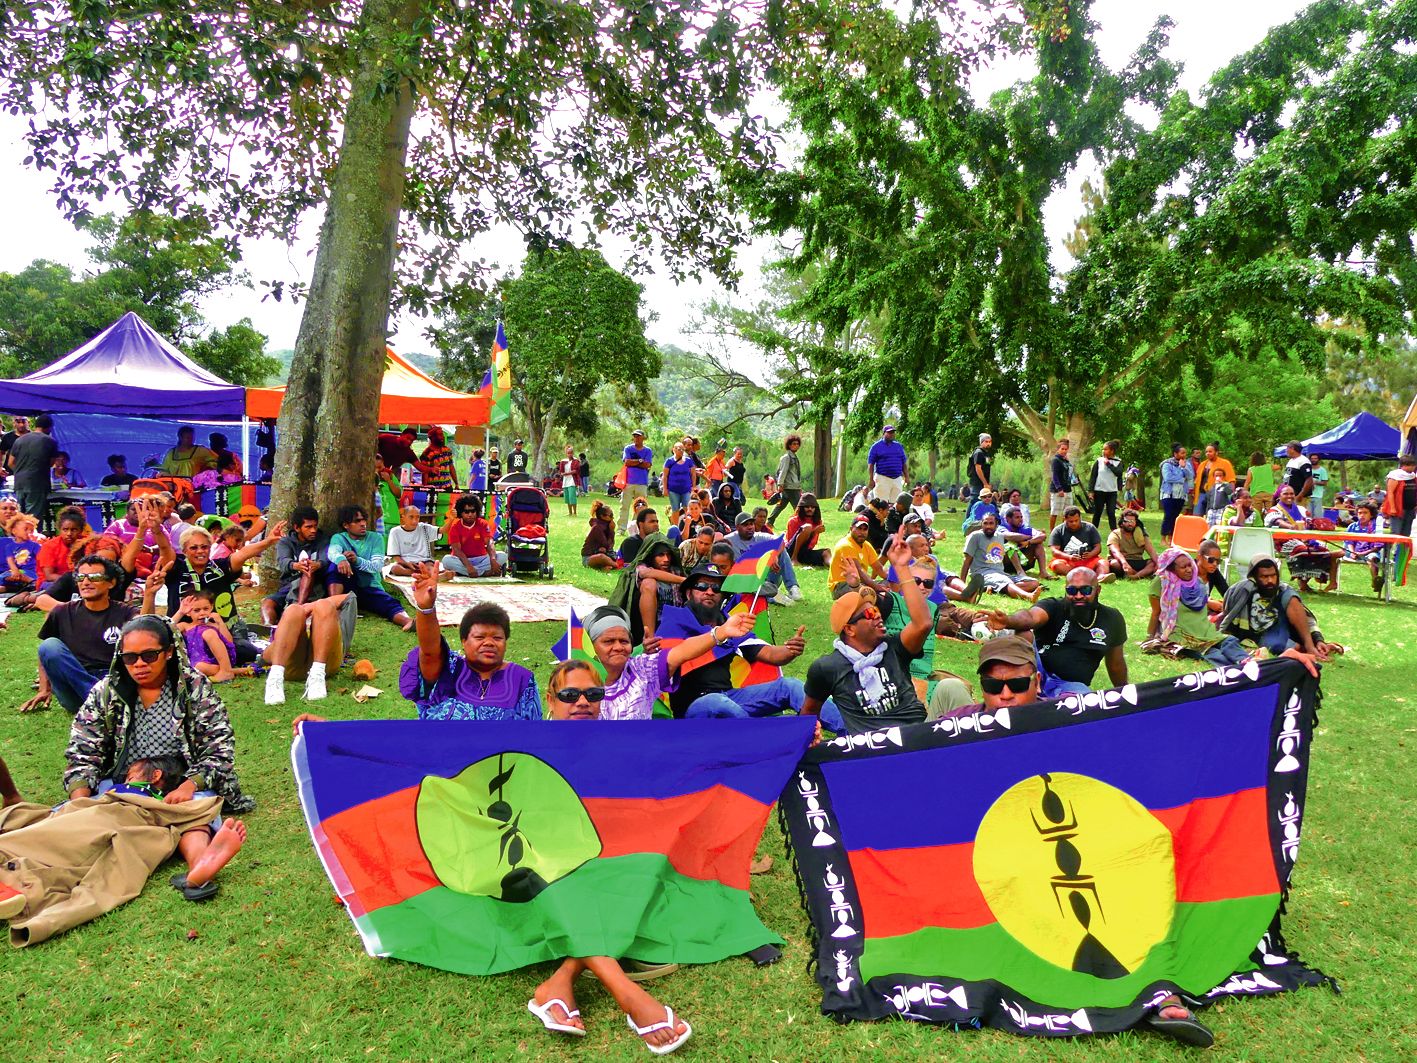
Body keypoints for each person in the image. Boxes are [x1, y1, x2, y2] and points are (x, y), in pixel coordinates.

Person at [525, 665, 697, 1051]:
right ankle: (627, 993)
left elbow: (693, 755)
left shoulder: (620, 743)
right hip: (539, 857)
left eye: (593, 695)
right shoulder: (529, 743)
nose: (583, 702)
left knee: (628, 874)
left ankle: (559, 981)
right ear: (550, 701)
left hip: (602, 851)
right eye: (570, 696)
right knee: (570, 878)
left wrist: (795, 734)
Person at [0, 757, 247, 943]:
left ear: (155, 775)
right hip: (129, 822)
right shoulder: (163, 804)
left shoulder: (122, 791)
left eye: (130, 774)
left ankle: (201, 861)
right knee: (183, 822)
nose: (126, 778)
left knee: (28, 841)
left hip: (99, 815)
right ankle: (200, 862)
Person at [64, 614, 255, 814]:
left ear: (169, 652)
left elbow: (218, 750)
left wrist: (189, 786)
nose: (139, 664)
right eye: (129, 657)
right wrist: (81, 804)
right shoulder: (106, 692)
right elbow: (83, 753)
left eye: (149, 656)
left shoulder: (194, 688)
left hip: (183, 785)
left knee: (192, 817)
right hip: (121, 786)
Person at [801, 535, 932, 734]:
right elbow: (808, 714)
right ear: (850, 629)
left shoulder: (894, 648)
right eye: (870, 613)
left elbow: (923, 624)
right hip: (869, 748)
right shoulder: (827, 668)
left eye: (877, 611)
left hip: (916, 736)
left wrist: (902, 567)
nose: (878, 616)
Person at [667, 566, 825, 724]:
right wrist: (718, 634)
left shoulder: (727, 622)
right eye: (702, 586)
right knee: (716, 702)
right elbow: (662, 663)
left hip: (730, 696)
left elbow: (770, 654)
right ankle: (763, 736)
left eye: (716, 587)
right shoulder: (674, 622)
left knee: (789, 686)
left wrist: (790, 649)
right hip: (693, 707)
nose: (710, 591)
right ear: (688, 593)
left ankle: (847, 731)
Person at [397, 566, 540, 720]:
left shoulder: (522, 679)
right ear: (464, 641)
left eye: (497, 638)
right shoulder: (449, 669)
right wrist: (426, 608)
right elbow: (430, 651)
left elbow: (532, 733)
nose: (489, 643)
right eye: (480, 637)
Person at [582, 603, 755, 721]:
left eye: (624, 641)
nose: (618, 647)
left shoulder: (641, 670)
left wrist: (721, 632)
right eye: (608, 642)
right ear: (592, 647)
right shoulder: (578, 680)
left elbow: (682, 652)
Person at [982, 567, 1128, 697]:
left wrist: (1125, 693)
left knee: (1084, 704)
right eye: (1071, 590)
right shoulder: (1053, 606)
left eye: (1085, 590)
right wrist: (1008, 620)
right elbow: (1030, 617)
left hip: (1070, 685)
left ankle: (1044, 700)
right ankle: (1027, 687)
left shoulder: (1112, 618)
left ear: (1098, 590)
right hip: (1037, 672)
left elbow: (1116, 664)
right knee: (1024, 633)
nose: (1078, 596)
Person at [29, 556, 141, 714]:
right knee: (49, 646)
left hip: (110, 680)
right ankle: (101, 700)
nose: (86, 582)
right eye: (81, 577)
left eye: (94, 577)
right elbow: (45, 656)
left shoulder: (125, 612)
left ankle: (101, 700)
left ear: (111, 582)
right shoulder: (62, 611)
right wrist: (44, 689)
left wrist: (149, 594)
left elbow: (145, 628)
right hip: (74, 687)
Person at [166, 523, 284, 663]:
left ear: (210, 548)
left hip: (223, 631)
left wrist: (269, 541)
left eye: (204, 547)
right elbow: (164, 549)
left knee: (244, 651)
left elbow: (243, 554)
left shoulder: (220, 567)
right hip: (187, 636)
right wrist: (155, 529)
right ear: (184, 550)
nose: (200, 551)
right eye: (193, 547)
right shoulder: (176, 569)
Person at [1218, 555, 1338, 662]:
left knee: (1292, 598)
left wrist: (1317, 639)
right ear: (1254, 577)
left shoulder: (1283, 590)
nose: (1270, 580)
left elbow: (1305, 619)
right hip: (1256, 634)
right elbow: (1228, 619)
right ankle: (1304, 648)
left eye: (1273, 575)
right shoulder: (1241, 591)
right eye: (1264, 576)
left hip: (1281, 626)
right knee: (1276, 645)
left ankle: (1311, 647)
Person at [1144, 549, 1250, 666]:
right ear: (1171, 569)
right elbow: (1156, 613)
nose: (1189, 570)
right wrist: (1149, 638)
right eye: (1183, 567)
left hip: (1206, 631)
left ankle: (1246, 661)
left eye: (1190, 564)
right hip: (1182, 635)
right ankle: (1234, 669)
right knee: (1211, 652)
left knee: (1229, 641)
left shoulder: (1197, 582)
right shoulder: (1161, 583)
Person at [326, 504, 413, 630]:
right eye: (357, 521)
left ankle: (407, 621)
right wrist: (341, 559)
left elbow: (377, 566)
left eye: (363, 520)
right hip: (346, 588)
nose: (362, 524)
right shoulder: (339, 538)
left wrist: (357, 561)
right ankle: (334, 607)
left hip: (368, 586)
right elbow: (332, 552)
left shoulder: (375, 538)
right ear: (346, 525)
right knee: (334, 566)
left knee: (387, 602)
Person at [1266, 484, 1341, 591]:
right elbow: (1277, 521)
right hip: (1283, 542)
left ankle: (1306, 583)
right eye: (1285, 493)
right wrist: (1291, 526)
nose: (1289, 496)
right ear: (1279, 496)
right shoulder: (1275, 510)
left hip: (1303, 539)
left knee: (1316, 548)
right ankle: (1332, 555)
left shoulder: (1300, 509)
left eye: (1292, 493)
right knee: (1302, 550)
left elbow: (1309, 522)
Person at [961, 512, 1041, 602]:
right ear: (981, 524)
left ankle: (994, 589)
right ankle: (1028, 596)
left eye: (991, 523)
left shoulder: (1000, 536)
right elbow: (967, 560)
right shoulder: (975, 536)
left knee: (1034, 582)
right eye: (985, 523)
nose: (988, 526)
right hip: (982, 573)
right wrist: (962, 583)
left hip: (1000, 573)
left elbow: (1011, 546)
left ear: (996, 525)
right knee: (1005, 582)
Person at [726, 511, 801, 606]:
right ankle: (775, 597)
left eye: (751, 524)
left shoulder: (759, 536)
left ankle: (792, 587)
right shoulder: (730, 540)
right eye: (745, 525)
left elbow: (781, 542)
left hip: (768, 577)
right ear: (737, 527)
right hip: (748, 581)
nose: (750, 527)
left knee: (782, 552)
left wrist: (774, 556)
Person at [173, 590, 238, 684]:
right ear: (188, 612)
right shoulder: (185, 626)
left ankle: (226, 670)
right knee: (199, 667)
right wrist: (180, 612)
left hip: (219, 661)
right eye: (196, 610)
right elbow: (167, 629)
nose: (202, 613)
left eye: (206, 609)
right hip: (199, 663)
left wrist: (220, 622)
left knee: (209, 633)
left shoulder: (214, 626)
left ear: (211, 607)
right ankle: (230, 671)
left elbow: (229, 642)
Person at [6, 412, 58, 521]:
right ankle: (30, 538)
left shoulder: (19, 440)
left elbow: (10, 462)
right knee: (32, 520)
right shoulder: (50, 441)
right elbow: (51, 463)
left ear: (35, 425)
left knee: (18, 517)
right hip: (37, 483)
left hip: (19, 482)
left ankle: (19, 537)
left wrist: (21, 472)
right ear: (49, 428)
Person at [439, 495, 505, 578]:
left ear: (477, 511)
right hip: (462, 560)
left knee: (502, 556)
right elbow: (456, 550)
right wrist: (469, 566)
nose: (470, 514)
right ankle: (484, 573)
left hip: (481, 559)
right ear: (461, 513)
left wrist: (493, 559)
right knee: (447, 561)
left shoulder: (483, 523)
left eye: (473, 511)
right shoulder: (455, 527)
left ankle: (464, 572)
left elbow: (489, 542)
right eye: (466, 512)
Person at [636, 540, 687, 638]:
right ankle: (649, 637)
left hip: (673, 621)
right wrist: (683, 580)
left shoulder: (675, 571)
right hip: (651, 622)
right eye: (661, 555)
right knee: (648, 583)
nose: (666, 559)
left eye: (668, 555)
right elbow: (645, 573)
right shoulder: (643, 568)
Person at [1047, 506, 1112, 580]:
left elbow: (1098, 547)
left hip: (1088, 560)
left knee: (1103, 563)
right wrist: (1069, 557)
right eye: (1071, 521)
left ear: (1080, 518)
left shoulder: (1090, 528)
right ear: (1065, 519)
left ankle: (1100, 577)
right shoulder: (1058, 530)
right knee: (1057, 565)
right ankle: (1079, 576)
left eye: (1076, 520)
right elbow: (1054, 551)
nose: (1074, 523)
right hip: (1067, 561)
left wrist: (1091, 554)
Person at [828, 515, 887, 592]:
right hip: (841, 585)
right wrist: (876, 587)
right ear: (851, 529)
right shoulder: (845, 545)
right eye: (859, 528)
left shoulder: (867, 545)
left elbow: (878, 568)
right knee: (868, 592)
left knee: (890, 583)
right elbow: (859, 572)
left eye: (865, 529)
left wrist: (894, 579)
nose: (862, 532)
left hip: (861, 583)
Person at [387, 505, 444, 578]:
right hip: (405, 562)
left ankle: (428, 573)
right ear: (403, 517)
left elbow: (442, 530)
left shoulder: (424, 527)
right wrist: (407, 564)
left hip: (424, 561)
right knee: (395, 569)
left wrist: (451, 519)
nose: (415, 520)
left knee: (430, 567)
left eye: (417, 517)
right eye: (411, 517)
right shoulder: (395, 531)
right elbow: (396, 556)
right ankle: (426, 574)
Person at [38, 507, 87, 586]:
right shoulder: (50, 546)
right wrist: (74, 581)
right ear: (60, 529)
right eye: (65, 529)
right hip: (53, 583)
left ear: (81, 530)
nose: (69, 533)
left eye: (74, 530)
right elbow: (49, 576)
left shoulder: (87, 543)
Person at [998, 503, 1049, 578]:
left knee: (1038, 543)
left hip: (1024, 562)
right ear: (1008, 519)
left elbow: (1042, 536)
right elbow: (1010, 536)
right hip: (1006, 564)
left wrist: (1028, 542)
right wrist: (1029, 537)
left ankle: (1043, 572)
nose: (1020, 519)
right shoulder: (1002, 528)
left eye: (1021, 517)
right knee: (1010, 545)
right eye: (1017, 517)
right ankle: (1020, 572)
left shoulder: (1024, 528)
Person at [1344, 501, 1386, 591]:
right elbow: (1349, 542)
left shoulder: (1376, 527)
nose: (1362, 515)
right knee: (1333, 554)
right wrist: (1352, 552)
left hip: (1370, 553)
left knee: (1372, 558)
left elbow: (1378, 546)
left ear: (1371, 515)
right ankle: (1331, 581)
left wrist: (1363, 553)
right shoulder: (1352, 526)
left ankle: (1375, 580)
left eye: (1365, 513)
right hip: (1353, 552)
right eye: (1360, 513)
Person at [1158, 442, 1195, 544]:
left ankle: (1171, 538)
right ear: (1175, 454)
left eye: (1185, 453)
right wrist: (1181, 478)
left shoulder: (1186, 464)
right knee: (1168, 515)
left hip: (1180, 495)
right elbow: (1168, 478)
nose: (1184, 455)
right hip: (1168, 494)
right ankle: (1163, 538)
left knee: (1175, 516)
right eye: (1182, 453)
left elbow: (1190, 477)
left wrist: (1183, 468)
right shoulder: (1167, 464)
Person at [1106, 508, 1158, 580]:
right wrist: (1124, 564)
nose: (1130, 524)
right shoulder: (1115, 534)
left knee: (1154, 562)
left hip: (1137, 560)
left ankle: (1134, 576)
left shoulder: (1141, 533)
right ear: (1122, 522)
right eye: (1127, 521)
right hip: (1122, 561)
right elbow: (1115, 552)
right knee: (1114, 564)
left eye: (1132, 521)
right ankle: (1141, 574)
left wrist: (1159, 564)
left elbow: (1151, 551)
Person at [1, 513, 41, 603]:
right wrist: (15, 570)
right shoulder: (9, 546)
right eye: (26, 529)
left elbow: (41, 558)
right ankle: (12, 586)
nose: (29, 532)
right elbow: (10, 559)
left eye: (31, 531)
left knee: (33, 576)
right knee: (3, 576)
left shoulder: (34, 545)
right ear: (14, 531)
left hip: (30, 571)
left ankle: (29, 583)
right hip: (16, 572)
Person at [618, 429, 654, 529]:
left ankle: (635, 527)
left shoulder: (648, 450)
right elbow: (627, 462)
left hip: (642, 482)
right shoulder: (628, 449)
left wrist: (635, 463)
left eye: (638, 436)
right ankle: (621, 528)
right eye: (635, 436)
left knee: (641, 507)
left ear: (643, 438)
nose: (636, 438)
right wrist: (639, 461)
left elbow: (647, 464)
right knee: (624, 506)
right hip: (628, 481)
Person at [867, 424, 908, 502]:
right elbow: (871, 464)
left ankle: (893, 514)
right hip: (882, 478)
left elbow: (904, 463)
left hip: (897, 478)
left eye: (893, 432)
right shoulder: (876, 447)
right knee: (881, 502)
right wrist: (871, 479)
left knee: (896, 502)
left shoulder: (898, 446)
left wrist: (906, 477)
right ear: (884, 433)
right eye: (889, 432)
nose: (891, 434)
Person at [768, 433, 803, 526]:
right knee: (799, 507)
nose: (795, 446)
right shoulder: (787, 457)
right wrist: (780, 484)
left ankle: (770, 521)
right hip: (790, 487)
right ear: (789, 445)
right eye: (793, 444)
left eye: (797, 444)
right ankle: (802, 523)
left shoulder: (794, 457)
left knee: (781, 505)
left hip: (793, 486)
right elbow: (782, 472)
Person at [1193, 442, 1236, 517]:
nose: (1208, 453)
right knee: (1197, 515)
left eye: (1210, 451)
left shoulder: (1225, 463)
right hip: (1201, 493)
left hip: (1217, 494)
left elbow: (1231, 480)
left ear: (1216, 452)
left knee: (1211, 515)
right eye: (1206, 452)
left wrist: (1231, 493)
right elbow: (1197, 480)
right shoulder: (1203, 464)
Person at [785, 494, 829, 566]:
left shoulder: (818, 522)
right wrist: (813, 532)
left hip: (805, 552)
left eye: (812, 507)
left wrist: (813, 533)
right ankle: (794, 559)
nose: (810, 509)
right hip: (790, 552)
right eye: (807, 507)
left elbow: (812, 543)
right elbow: (790, 541)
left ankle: (833, 566)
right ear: (801, 508)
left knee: (827, 552)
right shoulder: (793, 521)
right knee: (807, 527)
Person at [1087, 439, 1121, 530]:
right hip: (1099, 491)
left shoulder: (1118, 462)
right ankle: (1093, 531)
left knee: (1111, 513)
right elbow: (1093, 476)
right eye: (1103, 449)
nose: (1103, 451)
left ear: (1112, 451)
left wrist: (1109, 464)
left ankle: (1114, 533)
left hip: (1111, 492)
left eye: (1105, 449)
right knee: (1098, 512)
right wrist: (1091, 491)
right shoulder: (1099, 461)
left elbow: (1118, 473)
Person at [1381, 451, 1416, 539]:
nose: (1414, 467)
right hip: (1398, 509)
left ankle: (1402, 552)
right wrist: (1392, 507)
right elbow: (1390, 493)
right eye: (1413, 465)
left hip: (1410, 509)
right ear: (1405, 465)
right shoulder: (1394, 476)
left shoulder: (1412, 476)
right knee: (1396, 533)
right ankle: (1391, 552)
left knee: (1406, 534)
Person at [661, 440, 695, 525]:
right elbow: (665, 476)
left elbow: (693, 474)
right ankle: (675, 528)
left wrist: (693, 486)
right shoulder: (669, 461)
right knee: (675, 509)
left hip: (686, 489)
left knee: (687, 508)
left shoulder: (688, 461)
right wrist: (665, 489)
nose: (680, 450)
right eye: (678, 448)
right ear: (674, 450)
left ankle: (688, 526)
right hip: (673, 489)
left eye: (682, 449)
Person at [581, 502, 619, 571]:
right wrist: (611, 531)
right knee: (601, 557)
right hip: (589, 557)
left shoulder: (606, 526)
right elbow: (606, 545)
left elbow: (610, 546)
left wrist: (611, 531)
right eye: (611, 515)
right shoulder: (597, 527)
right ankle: (616, 565)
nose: (612, 518)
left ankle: (604, 567)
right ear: (602, 516)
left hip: (604, 553)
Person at [1047, 438, 1074, 532]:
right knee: (1055, 512)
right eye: (1062, 449)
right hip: (1058, 490)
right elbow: (1055, 476)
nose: (1064, 451)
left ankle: (1064, 530)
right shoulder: (1056, 460)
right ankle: (1052, 531)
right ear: (1058, 449)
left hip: (1068, 488)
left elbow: (1070, 472)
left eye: (1066, 449)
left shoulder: (1066, 460)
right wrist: (1059, 489)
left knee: (1067, 512)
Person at [420, 426, 458, 492]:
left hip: (448, 487)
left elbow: (451, 467)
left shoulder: (447, 450)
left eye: (442, 434)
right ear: (433, 437)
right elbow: (424, 472)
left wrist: (456, 483)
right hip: (433, 489)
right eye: (440, 435)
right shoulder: (426, 453)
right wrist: (425, 488)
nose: (443, 437)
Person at [557, 445, 581, 516]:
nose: (570, 454)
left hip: (572, 480)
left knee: (572, 496)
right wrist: (562, 473)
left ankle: (575, 512)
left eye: (571, 453)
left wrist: (566, 473)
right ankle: (570, 512)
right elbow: (561, 471)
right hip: (565, 480)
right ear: (566, 453)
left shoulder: (576, 461)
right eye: (568, 453)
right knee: (567, 497)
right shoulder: (563, 461)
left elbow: (575, 471)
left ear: (573, 453)